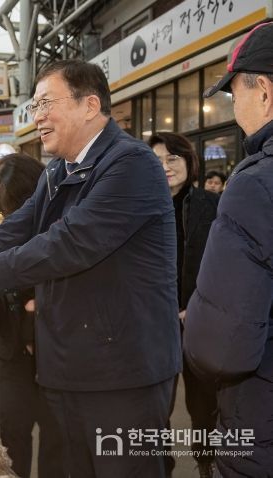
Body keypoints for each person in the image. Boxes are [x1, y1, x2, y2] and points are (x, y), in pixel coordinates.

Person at [0, 59, 181, 477]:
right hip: (68, 367)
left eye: (46, 103)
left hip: (121, 372)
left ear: (89, 105)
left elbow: (68, 243)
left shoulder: (131, 164)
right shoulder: (57, 171)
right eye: (34, 106)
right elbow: (18, 227)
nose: (36, 116)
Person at [184, 21, 273, 476]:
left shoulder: (255, 184)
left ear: (264, 93)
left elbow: (219, 348)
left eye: (234, 93)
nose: (233, 106)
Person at [0, 154, 66, 478]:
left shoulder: (65, 231)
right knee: (12, 443)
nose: (5, 217)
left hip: (59, 359)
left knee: (58, 448)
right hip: (12, 361)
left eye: (8, 207)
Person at [148, 132, 219, 478]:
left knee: (204, 404)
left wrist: (200, 307)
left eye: (172, 158)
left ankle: (207, 463)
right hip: (154, 325)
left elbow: (226, 264)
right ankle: (161, 468)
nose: (165, 166)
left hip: (200, 321)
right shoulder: (140, 207)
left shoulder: (212, 205)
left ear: (189, 162)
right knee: (155, 408)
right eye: (157, 161)